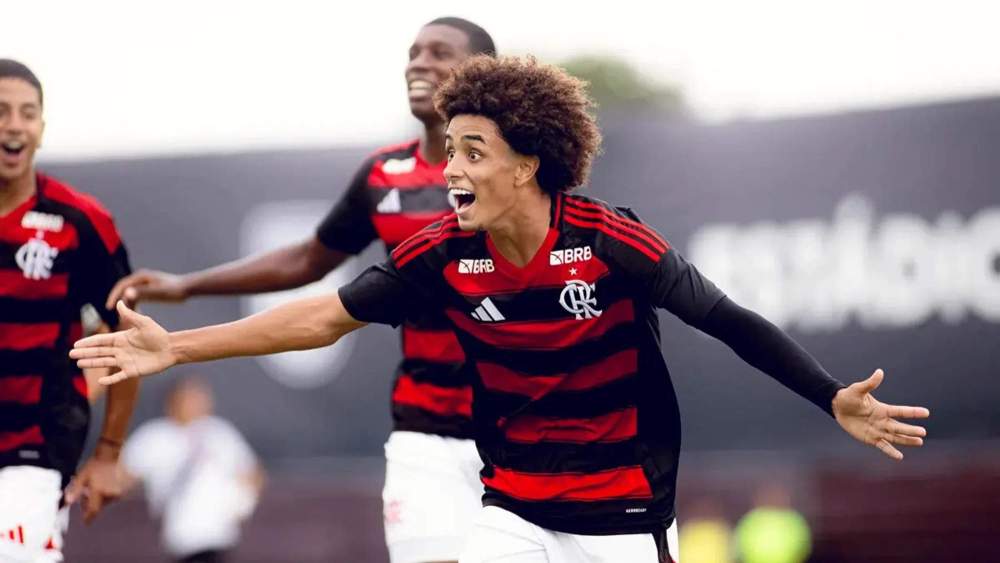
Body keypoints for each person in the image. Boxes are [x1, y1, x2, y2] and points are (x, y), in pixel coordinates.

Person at [72, 55, 931, 563]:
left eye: (473, 152)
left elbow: (731, 321)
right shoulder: (442, 253)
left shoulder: (609, 240)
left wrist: (831, 396)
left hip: (622, 513)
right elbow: (322, 316)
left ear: (527, 165)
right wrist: (176, 347)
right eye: (449, 150)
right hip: (514, 509)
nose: (450, 170)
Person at [102, 17, 496, 563]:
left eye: (439, 52)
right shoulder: (384, 176)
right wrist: (185, 287)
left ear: (482, 73)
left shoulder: (520, 178)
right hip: (425, 427)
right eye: (413, 52)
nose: (419, 64)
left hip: (517, 427)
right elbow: (310, 263)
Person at [0, 59, 140, 562]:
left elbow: (129, 337)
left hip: (35, 445)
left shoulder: (80, 222)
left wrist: (108, 454)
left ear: (41, 127)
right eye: (1, 111)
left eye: (27, 113)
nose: (14, 125)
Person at [121, 376, 264, 563]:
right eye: (190, 398)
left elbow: (252, 473)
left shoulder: (219, 432)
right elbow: (122, 477)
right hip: (179, 537)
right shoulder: (155, 436)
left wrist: (243, 503)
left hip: (219, 536)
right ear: (173, 402)